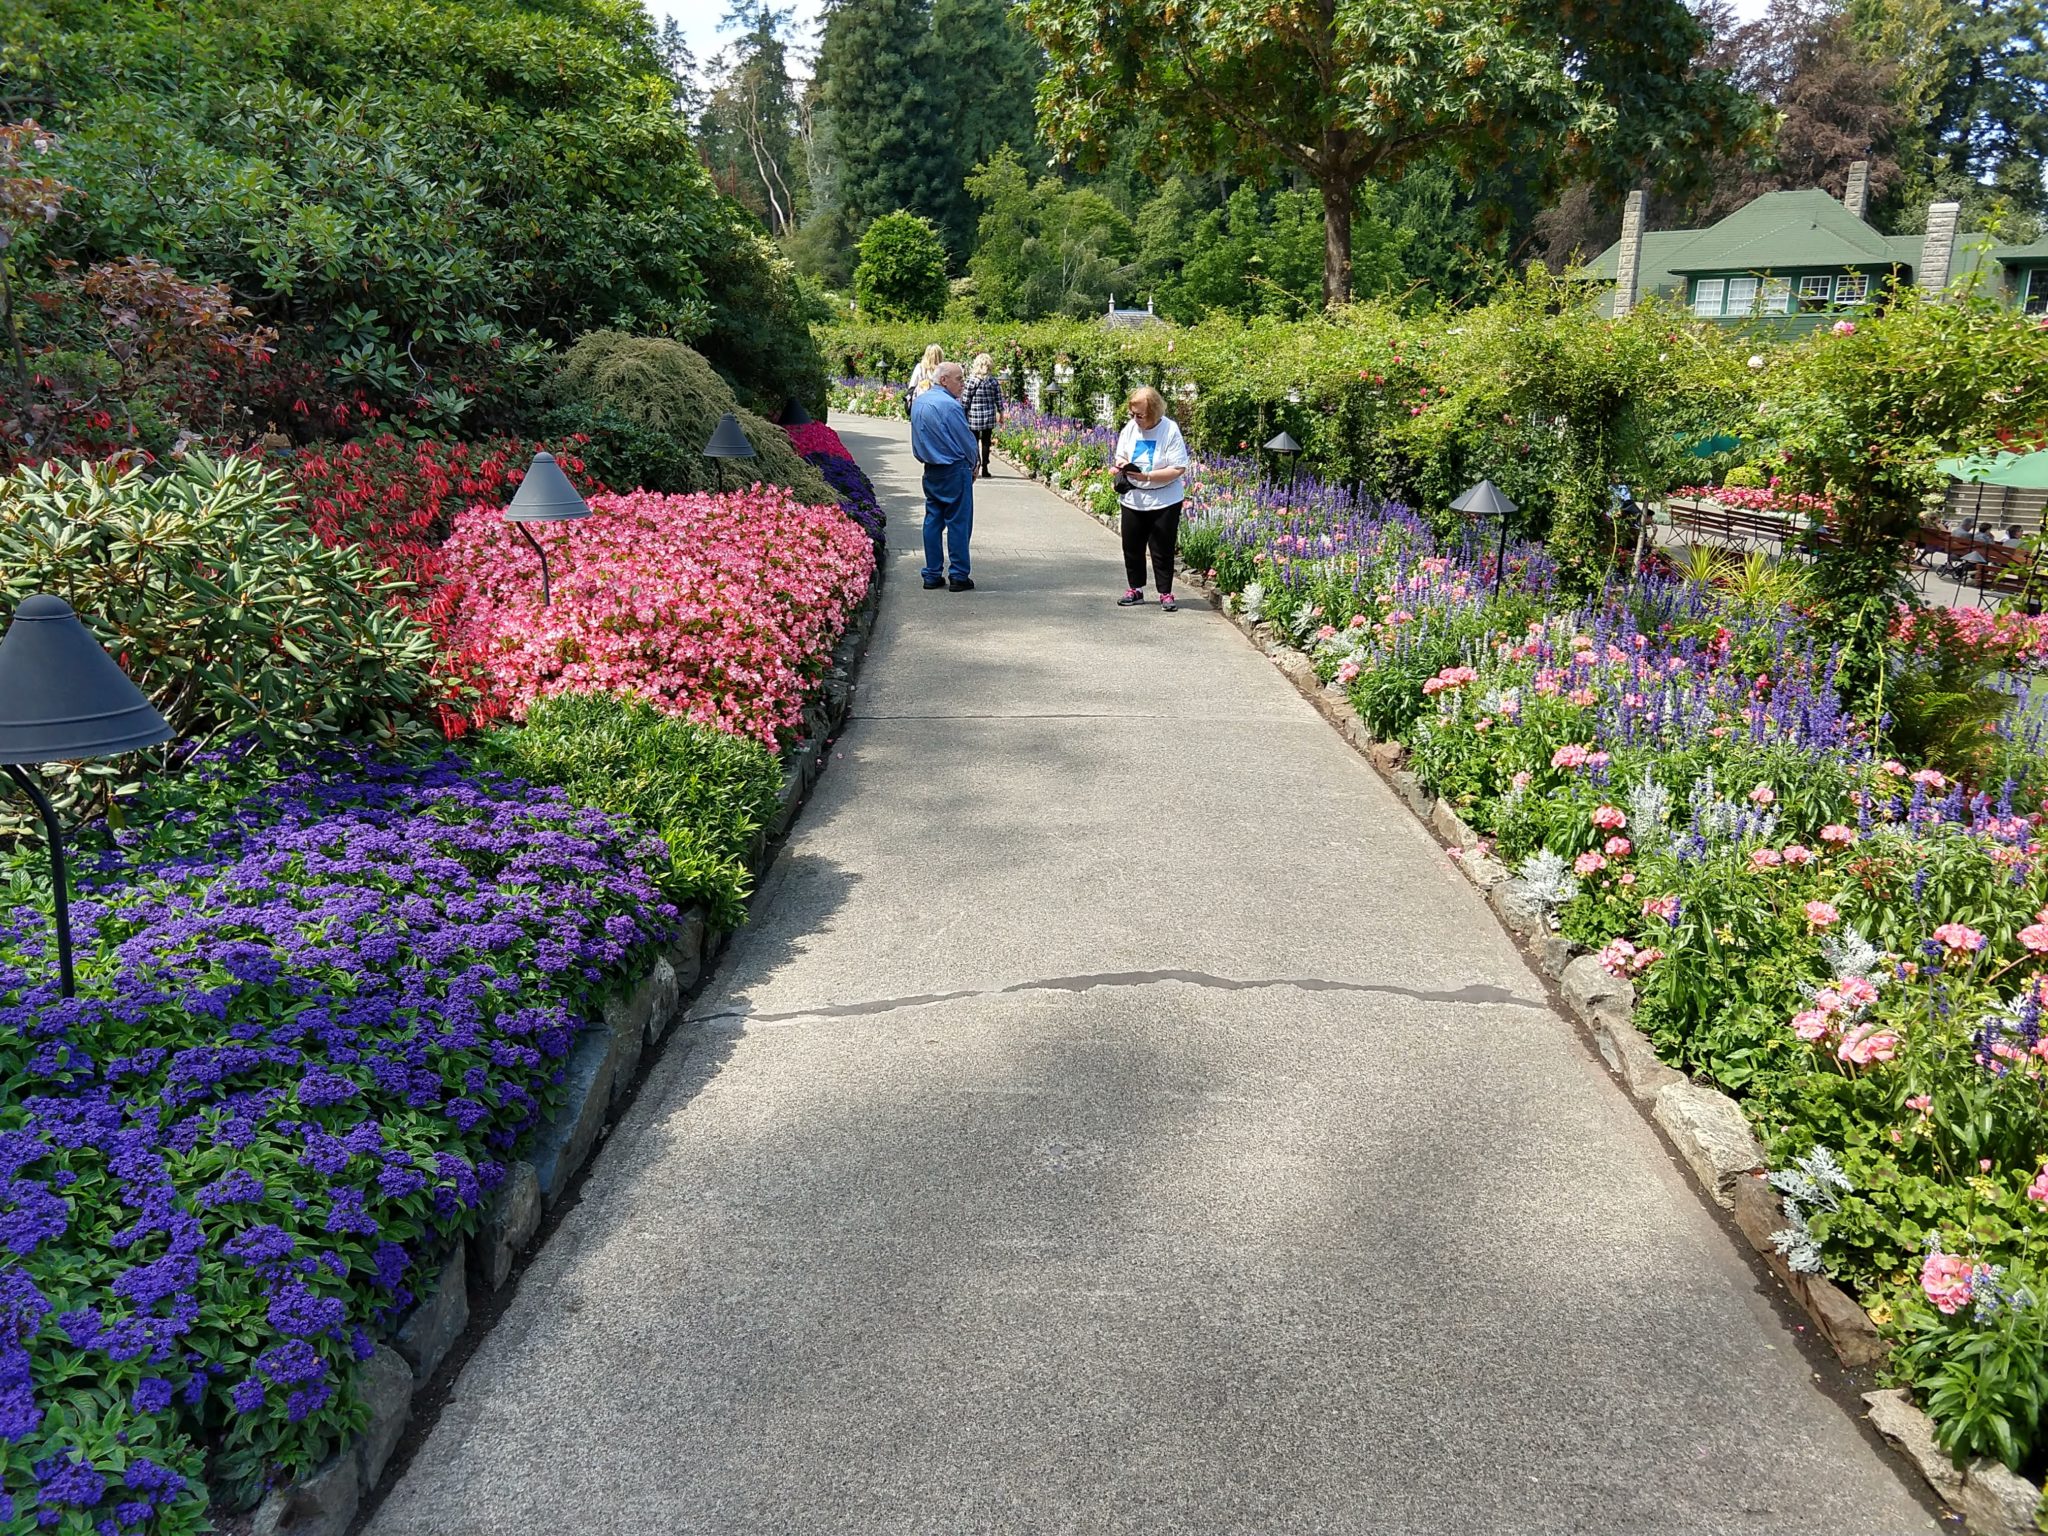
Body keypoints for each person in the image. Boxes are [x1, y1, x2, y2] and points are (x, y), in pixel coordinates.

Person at [1112, 386, 1191, 612]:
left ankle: (1165, 593)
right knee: (1132, 546)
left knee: (1162, 547)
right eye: (1133, 414)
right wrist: (1120, 465)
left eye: (1140, 415)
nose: (1135, 419)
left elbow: (1178, 468)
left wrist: (1148, 476)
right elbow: (1121, 454)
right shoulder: (1131, 428)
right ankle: (1135, 589)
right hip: (1134, 498)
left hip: (1164, 499)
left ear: (1154, 412)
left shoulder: (1170, 430)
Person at [910, 361, 978, 591]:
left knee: (933, 521)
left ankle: (931, 573)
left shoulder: (920, 402)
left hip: (931, 470)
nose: (963, 384)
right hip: (954, 469)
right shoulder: (949, 406)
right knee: (958, 523)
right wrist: (974, 463)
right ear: (944, 380)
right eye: (959, 379)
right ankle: (958, 575)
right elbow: (966, 439)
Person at [963, 353, 1003, 478]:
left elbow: (965, 400)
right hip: (989, 415)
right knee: (986, 442)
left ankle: (976, 464)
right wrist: (1001, 412)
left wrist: (963, 413)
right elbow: (999, 399)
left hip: (974, 416)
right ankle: (985, 466)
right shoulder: (993, 381)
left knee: (973, 442)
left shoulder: (971, 380)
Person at [904, 343, 944, 415]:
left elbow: (912, 385)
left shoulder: (920, 367)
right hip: (938, 404)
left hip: (920, 403)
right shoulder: (943, 369)